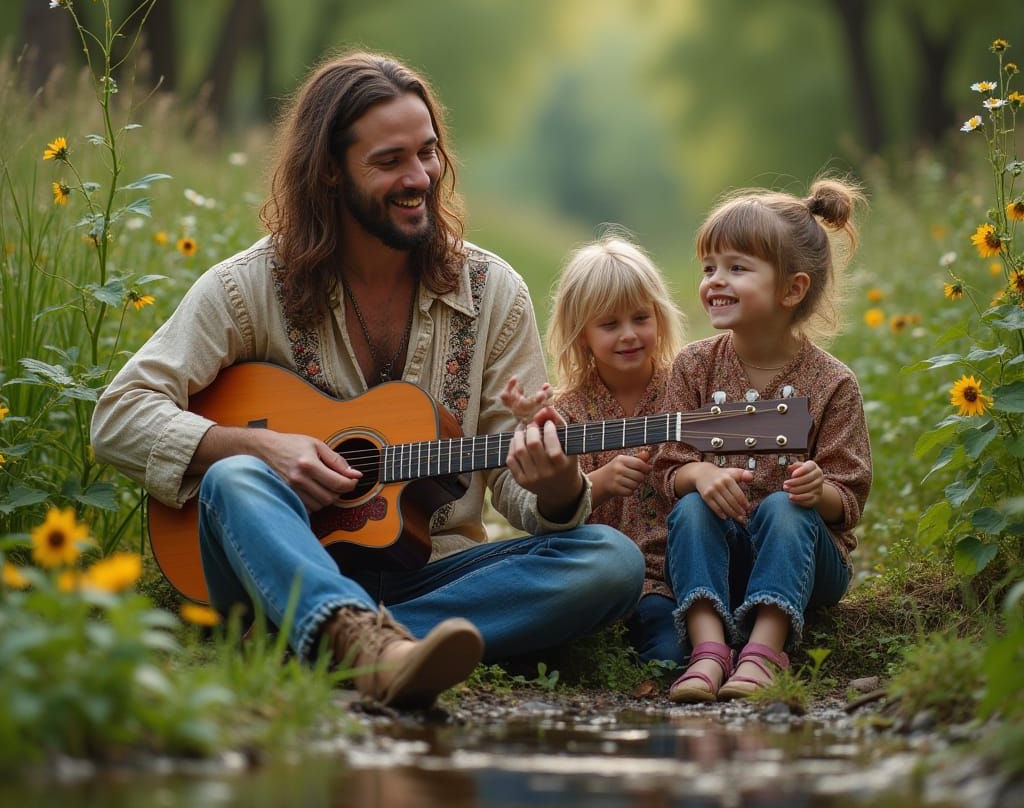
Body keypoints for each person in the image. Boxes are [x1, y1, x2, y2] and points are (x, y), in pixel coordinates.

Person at [90, 51, 645, 710]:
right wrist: (257, 447)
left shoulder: (494, 293)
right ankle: (354, 633)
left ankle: (355, 645)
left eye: (429, 153)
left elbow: (513, 491)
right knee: (235, 478)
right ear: (327, 171)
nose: (420, 178)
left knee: (610, 560)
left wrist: (554, 492)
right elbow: (118, 416)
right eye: (390, 162)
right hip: (274, 566)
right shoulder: (248, 288)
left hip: (433, 571)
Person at [657, 178, 872, 703]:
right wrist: (699, 474)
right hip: (724, 552)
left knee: (785, 508)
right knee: (689, 509)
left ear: (791, 290)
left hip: (805, 560)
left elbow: (848, 501)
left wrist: (817, 489)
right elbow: (667, 469)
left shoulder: (832, 383)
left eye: (737, 267)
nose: (715, 281)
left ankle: (764, 651)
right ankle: (708, 650)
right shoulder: (694, 367)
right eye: (709, 267)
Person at [504, 232, 686, 665]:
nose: (629, 335)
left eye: (641, 318)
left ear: (659, 317)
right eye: (609, 324)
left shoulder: (683, 391)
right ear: (581, 334)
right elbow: (550, 509)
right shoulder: (566, 410)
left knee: (669, 650)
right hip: (593, 574)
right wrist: (598, 484)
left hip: (671, 575)